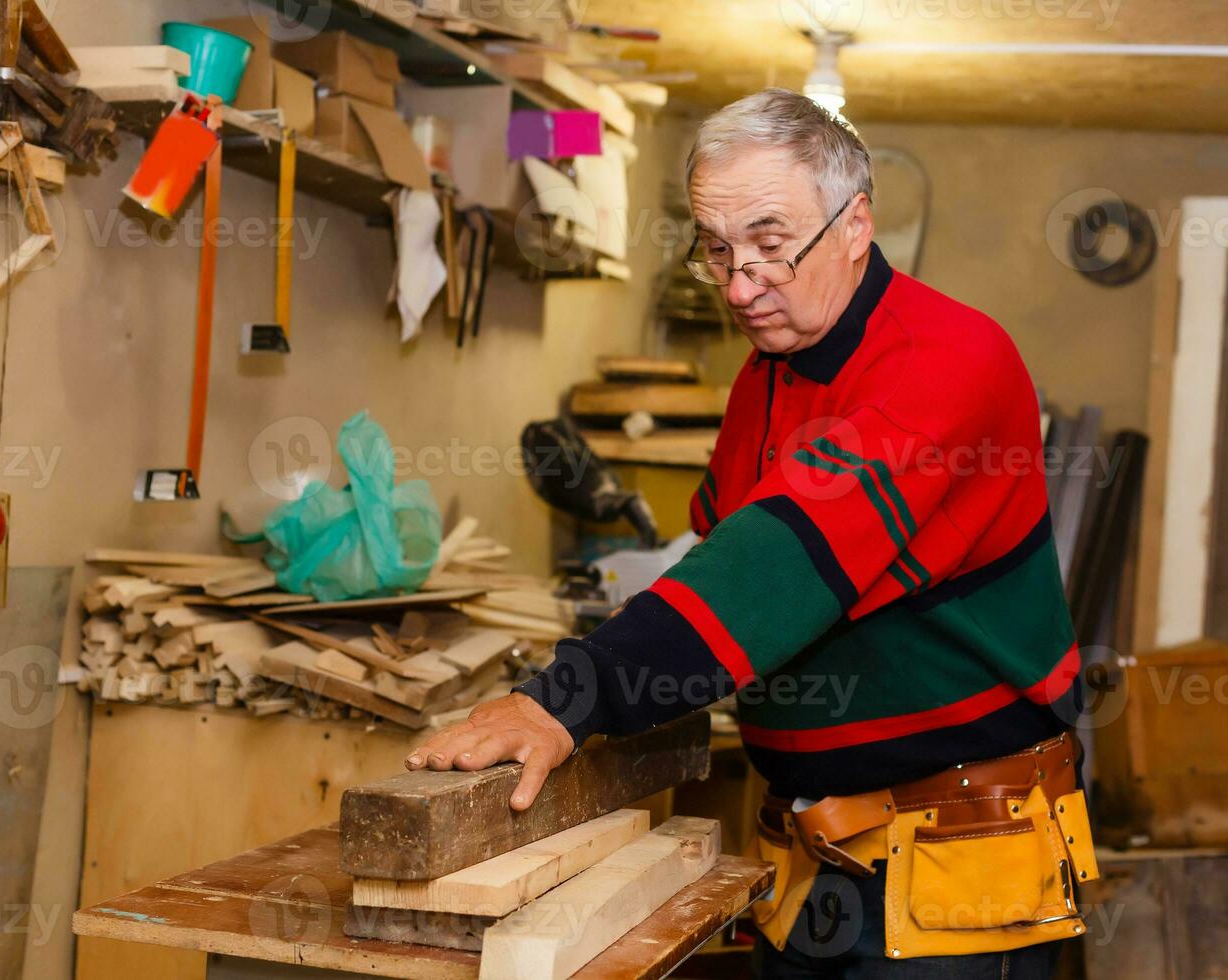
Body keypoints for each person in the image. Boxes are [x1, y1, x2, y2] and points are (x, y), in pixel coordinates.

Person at [407, 88, 1092, 978]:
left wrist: (566, 698)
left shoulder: (949, 362)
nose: (738, 285)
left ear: (856, 224)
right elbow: (720, 546)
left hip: (956, 864)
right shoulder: (767, 374)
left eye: (770, 247)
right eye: (717, 252)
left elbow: (771, 569)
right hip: (812, 851)